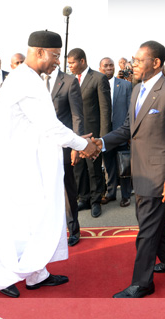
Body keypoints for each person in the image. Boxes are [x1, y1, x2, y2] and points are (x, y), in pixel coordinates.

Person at [0, 30, 99, 298]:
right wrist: (83, 144)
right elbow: (50, 126)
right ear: (39, 52)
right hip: (14, 167)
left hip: (28, 163)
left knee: (31, 218)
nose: (57, 62)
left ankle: (35, 274)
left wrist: (78, 138)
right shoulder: (24, 82)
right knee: (9, 221)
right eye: (54, 56)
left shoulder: (28, 78)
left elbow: (44, 125)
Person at [95, 40, 165, 298]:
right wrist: (101, 142)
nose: (134, 64)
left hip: (160, 176)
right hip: (139, 172)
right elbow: (128, 129)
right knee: (150, 223)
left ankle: (142, 283)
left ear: (156, 63)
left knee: (147, 230)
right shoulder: (137, 90)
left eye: (139, 60)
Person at [67, 48, 111, 219]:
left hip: (93, 135)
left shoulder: (98, 78)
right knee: (78, 168)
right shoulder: (70, 80)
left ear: (82, 61)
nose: (69, 66)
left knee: (94, 169)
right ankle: (84, 198)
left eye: (72, 63)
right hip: (75, 134)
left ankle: (95, 201)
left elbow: (105, 110)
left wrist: (103, 138)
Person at [45, 65, 84, 246]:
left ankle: (73, 229)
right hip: (41, 146)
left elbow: (77, 116)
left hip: (64, 146)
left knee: (68, 190)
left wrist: (76, 147)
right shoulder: (34, 81)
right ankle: (49, 231)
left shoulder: (69, 81)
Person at [99, 57, 133, 208]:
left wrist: (130, 133)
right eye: (105, 65)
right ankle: (111, 193)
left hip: (122, 132)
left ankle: (126, 195)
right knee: (109, 165)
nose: (109, 68)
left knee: (124, 164)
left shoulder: (125, 85)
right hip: (105, 134)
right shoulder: (98, 85)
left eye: (111, 65)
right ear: (100, 68)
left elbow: (130, 110)